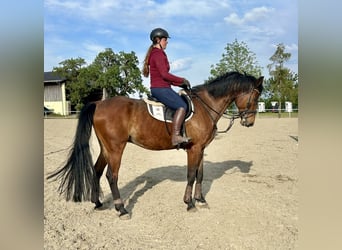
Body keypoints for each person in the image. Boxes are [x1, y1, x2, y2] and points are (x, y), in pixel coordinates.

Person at [142, 28, 191, 146]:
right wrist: (181, 80)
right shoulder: (157, 54)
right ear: (158, 40)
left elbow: (165, 77)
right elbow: (165, 74)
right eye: (165, 39)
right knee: (182, 105)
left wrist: (180, 83)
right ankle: (175, 136)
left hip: (162, 87)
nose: (167, 42)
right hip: (160, 89)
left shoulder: (157, 53)